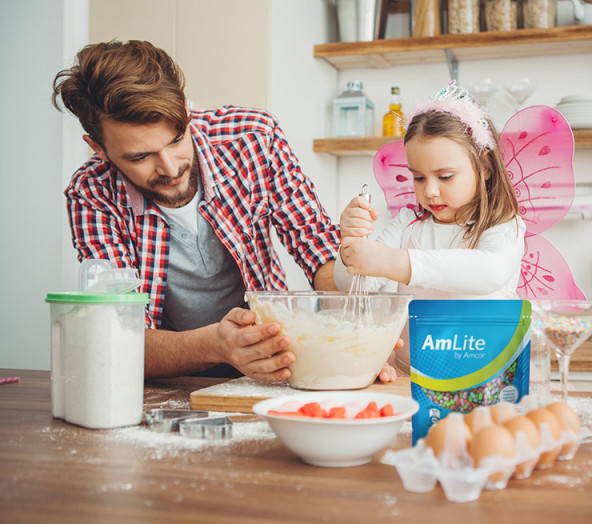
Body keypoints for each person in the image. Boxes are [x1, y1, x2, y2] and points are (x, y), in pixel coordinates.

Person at [51, 40, 403, 383]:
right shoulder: (91, 192)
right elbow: (117, 337)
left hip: (270, 360)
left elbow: (316, 248)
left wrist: (360, 335)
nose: (171, 168)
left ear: (186, 109)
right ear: (98, 147)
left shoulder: (254, 139)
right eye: (140, 157)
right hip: (165, 376)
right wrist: (216, 345)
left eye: (176, 140)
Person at [335, 82, 525, 372]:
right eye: (419, 178)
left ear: (485, 167)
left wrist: (394, 262)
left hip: (482, 379)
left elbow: (490, 272)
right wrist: (351, 244)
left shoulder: (502, 225)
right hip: (410, 381)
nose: (430, 192)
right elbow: (349, 283)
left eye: (445, 176)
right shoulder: (407, 224)